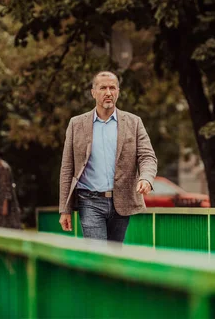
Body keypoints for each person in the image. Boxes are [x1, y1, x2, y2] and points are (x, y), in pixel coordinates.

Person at [58, 70, 157, 242]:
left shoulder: (133, 122)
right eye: (103, 88)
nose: (108, 93)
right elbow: (67, 168)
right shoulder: (76, 124)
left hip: (121, 201)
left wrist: (146, 178)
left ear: (118, 91)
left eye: (112, 88)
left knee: (114, 257)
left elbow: (147, 156)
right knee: (98, 256)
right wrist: (64, 209)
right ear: (93, 92)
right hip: (89, 200)